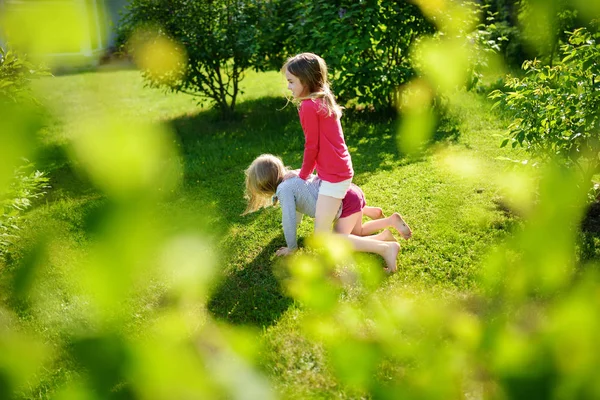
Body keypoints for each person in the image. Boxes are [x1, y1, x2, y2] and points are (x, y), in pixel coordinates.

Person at [243, 154, 412, 273]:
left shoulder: (283, 189)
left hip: (343, 202)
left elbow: (289, 218)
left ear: (265, 187)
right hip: (349, 192)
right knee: (356, 233)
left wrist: (292, 248)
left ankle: (385, 249)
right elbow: (296, 213)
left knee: (337, 240)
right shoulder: (291, 178)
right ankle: (388, 226)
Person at [282, 53, 353, 234]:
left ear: (305, 81)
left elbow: (312, 146)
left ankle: (386, 248)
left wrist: (303, 176)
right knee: (334, 228)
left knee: (321, 236)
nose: (288, 87)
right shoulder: (323, 99)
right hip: (338, 169)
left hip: (334, 175)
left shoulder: (308, 106)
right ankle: (384, 230)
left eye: (291, 81)